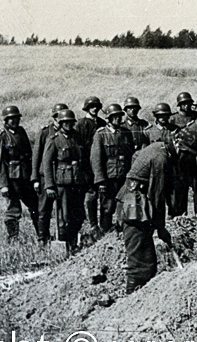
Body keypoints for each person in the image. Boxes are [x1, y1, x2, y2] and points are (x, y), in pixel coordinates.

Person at [115, 130, 197, 294]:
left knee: (147, 259)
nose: (188, 159)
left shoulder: (160, 147)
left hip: (138, 205)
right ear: (179, 147)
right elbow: (157, 197)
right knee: (141, 262)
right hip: (135, 209)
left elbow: (137, 157)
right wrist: (161, 228)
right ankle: (130, 301)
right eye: (188, 154)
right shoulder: (161, 159)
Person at [42, 109, 89, 255]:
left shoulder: (77, 137)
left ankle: (74, 240)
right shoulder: (54, 140)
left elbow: (85, 159)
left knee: (79, 214)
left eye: (70, 122)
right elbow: (47, 163)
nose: (68, 125)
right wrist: (50, 185)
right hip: (63, 183)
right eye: (65, 122)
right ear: (60, 123)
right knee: (64, 216)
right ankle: (65, 243)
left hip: (78, 182)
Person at [0, 105, 39, 243]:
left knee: (35, 206)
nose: (15, 121)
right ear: (6, 120)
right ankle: (13, 239)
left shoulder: (21, 132)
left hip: (25, 177)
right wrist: (2, 185)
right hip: (11, 179)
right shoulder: (1, 136)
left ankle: (42, 236)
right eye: (11, 119)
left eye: (17, 118)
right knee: (13, 209)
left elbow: (28, 154)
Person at [90, 104, 134, 239]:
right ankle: (105, 235)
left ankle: (123, 233)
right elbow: (96, 159)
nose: (117, 119)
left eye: (119, 116)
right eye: (114, 117)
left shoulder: (126, 133)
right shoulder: (101, 134)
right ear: (108, 119)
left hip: (123, 176)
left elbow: (131, 155)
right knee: (107, 207)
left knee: (125, 206)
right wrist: (100, 180)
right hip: (109, 177)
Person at [32, 103, 68, 244]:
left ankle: (62, 237)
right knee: (44, 209)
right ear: (54, 118)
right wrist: (35, 178)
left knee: (63, 209)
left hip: (62, 177)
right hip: (45, 177)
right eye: (58, 118)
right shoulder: (45, 132)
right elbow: (37, 156)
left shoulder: (68, 133)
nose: (60, 121)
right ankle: (43, 238)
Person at [147, 103, 189, 217]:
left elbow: (182, 147)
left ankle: (174, 217)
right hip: (156, 169)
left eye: (165, 115)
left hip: (173, 167)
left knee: (174, 196)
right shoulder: (149, 131)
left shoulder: (175, 129)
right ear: (156, 116)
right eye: (160, 115)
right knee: (156, 195)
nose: (163, 118)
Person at [75, 96, 106, 245]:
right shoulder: (81, 124)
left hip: (100, 163)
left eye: (97, 106)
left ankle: (102, 225)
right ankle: (92, 224)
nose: (95, 109)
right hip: (86, 165)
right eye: (92, 106)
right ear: (87, 108)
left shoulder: (102, 123)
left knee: (103, 195)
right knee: (90, 195)